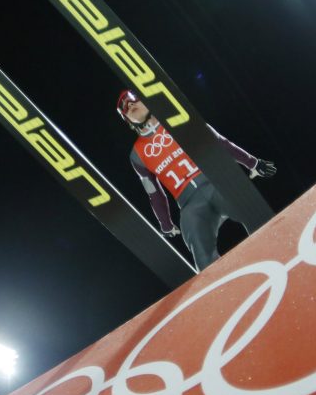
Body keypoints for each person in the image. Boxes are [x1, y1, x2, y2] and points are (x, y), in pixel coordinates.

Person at [117, 89, 276, 270]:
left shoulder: (178, 119)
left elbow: (219, 142)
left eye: (134, 100)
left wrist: (253, 163)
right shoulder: (136, 155)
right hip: (189, 205)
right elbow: (153, 192)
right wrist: (166, 224)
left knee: (251, 209)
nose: (130, 104)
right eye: (126, 108)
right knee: (202, 258)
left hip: (215, 183)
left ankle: (278, 251)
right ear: (127, 120)